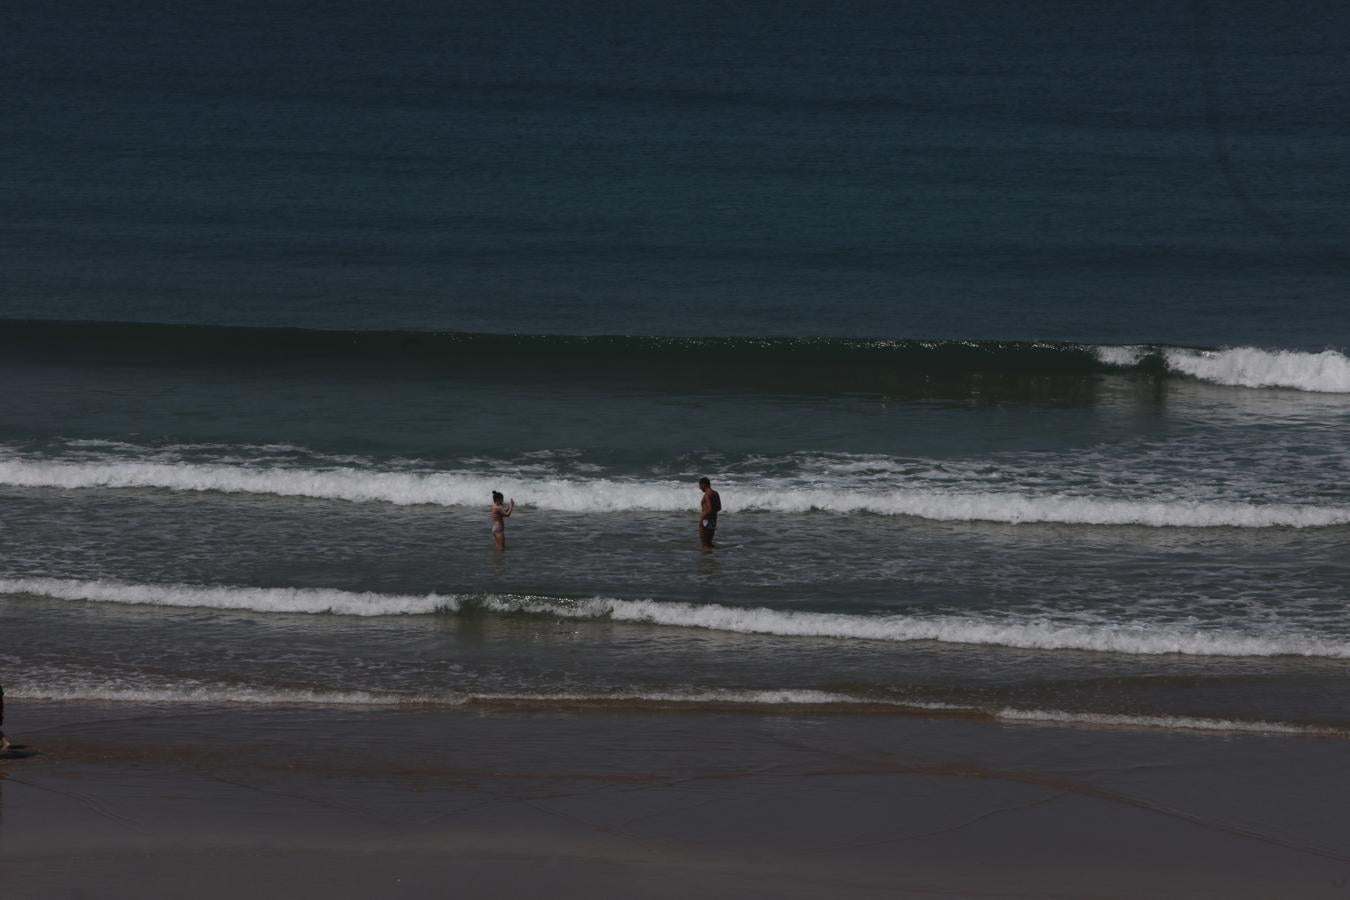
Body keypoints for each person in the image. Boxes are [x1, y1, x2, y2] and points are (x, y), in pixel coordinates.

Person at [698, 477, 721, 549]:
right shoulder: (715, 493)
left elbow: (710, 508)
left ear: (704, 484)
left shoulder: (707, 495)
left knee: (705, 544)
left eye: (700, 485)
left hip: (706, 521)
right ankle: (712, 558)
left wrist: (703, 519)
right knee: (709, 543)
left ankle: (706, 559)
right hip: (713, 520)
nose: (700, 488)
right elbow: (719, 508)